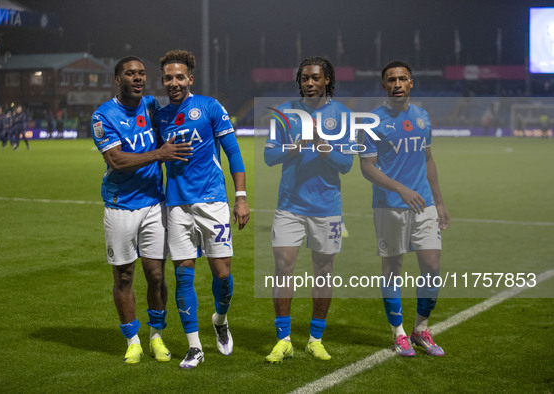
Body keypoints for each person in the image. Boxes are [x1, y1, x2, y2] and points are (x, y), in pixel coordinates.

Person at [90, 56, 192, 364]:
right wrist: (160, 153)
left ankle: (156, 337)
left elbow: (172, 132)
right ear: (118, 79)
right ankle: (132, 340)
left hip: (153, 204)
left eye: (142, 73)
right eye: (130, 74)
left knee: (157, 274)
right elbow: (117, 161)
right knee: (124, 276)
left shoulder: (150, 106)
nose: (138, 78)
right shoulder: (103, 116)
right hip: (121, 205)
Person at [155, 49, 249, 369]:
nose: (174, 82)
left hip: (213, 201)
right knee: (183, 275)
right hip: (177, 205)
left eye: (180, 76)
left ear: (190, 79)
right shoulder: (161, 116)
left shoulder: (209, 106)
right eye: (168, 77)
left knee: (222, 273)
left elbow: (233, 152)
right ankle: (194, 347)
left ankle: (220, 319)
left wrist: (241, 197)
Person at [263, 57, 358, 363]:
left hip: (326, 208)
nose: (309, 83)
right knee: (283, 269)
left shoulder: (344, 115)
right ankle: (284, 339)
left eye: (316, 78)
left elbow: (346, 164)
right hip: (289, 205)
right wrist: (295, 146)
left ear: (327, 79)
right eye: (304, 78)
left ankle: (315, 338)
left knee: (323, 272)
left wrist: (321, 144)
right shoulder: (284, 113)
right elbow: (268, 156)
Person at [359, 60, 450, 357]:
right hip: (390, 206)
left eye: (402, 79)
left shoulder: (423, 116)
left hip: (423, 204)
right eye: (391, 80)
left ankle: (421, 329)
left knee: (432, 268)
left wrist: (439, 200)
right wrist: (400, 188)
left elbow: (428, 160)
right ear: (384, 86)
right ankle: (398, 333)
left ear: (411, 83)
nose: (397, 84)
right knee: (392, 269)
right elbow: (367, 168)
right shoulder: (372, 122)